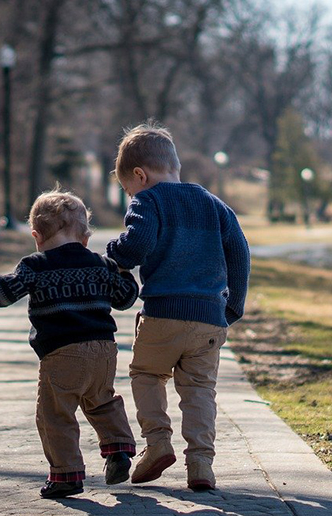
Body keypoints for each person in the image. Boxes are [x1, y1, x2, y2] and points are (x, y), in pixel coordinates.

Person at [0, 189, 140, 499]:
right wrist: (124, 272)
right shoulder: (100, 264)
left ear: (36, 235)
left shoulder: (35, 265)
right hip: (104, 350)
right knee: (102, 401)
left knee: (55, 414)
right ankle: (118, 450)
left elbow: (4, 291)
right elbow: (125, 298)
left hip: (63, 353)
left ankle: (66, 474)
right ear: (85, 236)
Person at [107, 121, 250, 491]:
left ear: (140, 175)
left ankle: (157, 444)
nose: (129, 194)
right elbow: (240, 252)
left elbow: (135, 246)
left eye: (127, 188)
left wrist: (113, 253)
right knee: (200, 389)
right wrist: (232, 306)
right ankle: (201, 464)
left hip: (163, 314)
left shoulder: (148, 200)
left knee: (146, 375)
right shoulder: (213, 204)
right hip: (209, 319)